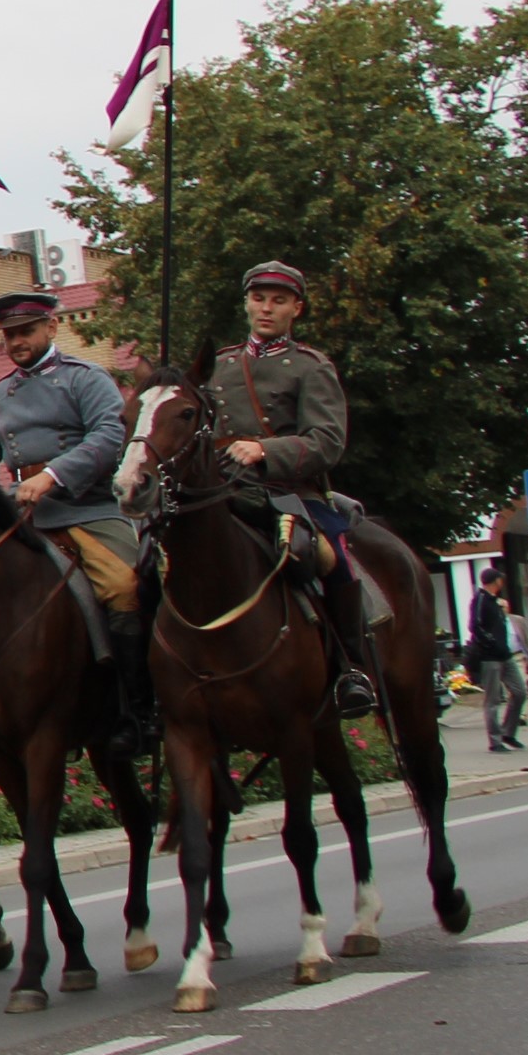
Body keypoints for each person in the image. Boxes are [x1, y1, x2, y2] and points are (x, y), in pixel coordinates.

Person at [0, 290, 157, 759]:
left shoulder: (85, 378)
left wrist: (52, 476)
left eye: (25, 331)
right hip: (26, 517)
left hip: (88, 511)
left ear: (51, 329)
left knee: (126, 587)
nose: (16, 341)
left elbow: (111, 435)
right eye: (9, 335)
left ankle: (139, 709)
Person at [203, 260, 374, 716]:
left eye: (278, 301)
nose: (266, 308)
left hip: (291, 492)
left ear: (295, 308)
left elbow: (328, 441)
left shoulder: (310, 367)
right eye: (258, 299)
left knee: (328, 554)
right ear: (246, 302)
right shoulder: (219, 365)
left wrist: (265, 450)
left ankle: (349, 668)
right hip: (226, 492)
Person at [467, 565, 526, 753]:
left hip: (505, 655)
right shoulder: (480, 600)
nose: (502, 582)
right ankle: (495, 740)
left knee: (520, 692)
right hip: (490, 657)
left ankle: (508, 732)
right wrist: (490, 642)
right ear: (496, 581)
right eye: (500, 579)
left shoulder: (495, 602)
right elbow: (474, 626)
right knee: (492, 700)